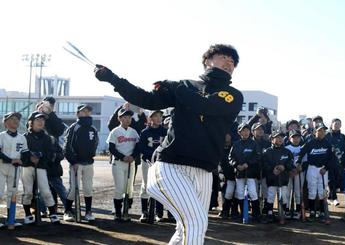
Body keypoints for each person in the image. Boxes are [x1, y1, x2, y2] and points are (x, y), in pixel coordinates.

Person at [95, 44, 243, 244]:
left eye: (233, 61)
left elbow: (206, 106)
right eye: (224, 57)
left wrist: (174, 86)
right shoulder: (186, 86)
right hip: (170, 166)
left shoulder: (232, 95)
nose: (230, 62)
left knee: (186, 228)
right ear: (208, 61)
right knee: (196, 222)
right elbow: (145, 98)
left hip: (204, 171)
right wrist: (113, 78)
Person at [63, 104, 99, 222]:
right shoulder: (74, 127)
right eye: (83, 111)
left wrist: (90, 155)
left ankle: (88, 212)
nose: (86, 113)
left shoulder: (93, 128)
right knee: (73, 189)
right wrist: (73, 161)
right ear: (78, 114)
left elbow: (95, 144)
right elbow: (67, 146)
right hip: (76, 164)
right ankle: (67, 211)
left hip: (89, 163)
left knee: (88, 188)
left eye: (88, 111)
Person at [22, 112, 59, 224]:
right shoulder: (24, 137)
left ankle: (52, 213)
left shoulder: (47, 138)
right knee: (28, 192)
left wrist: (41, 156)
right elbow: (21, 152)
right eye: (38, 120)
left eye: (42, 120)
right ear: (31, 122)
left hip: (41, 167)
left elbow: (50, 153)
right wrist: (30, 157)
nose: (41, 122)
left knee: (46, 191)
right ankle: (28, 214)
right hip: (27, 167)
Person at [107, 109, 140, 222]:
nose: (127, 119)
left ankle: (126, 211)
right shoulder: (115, 131)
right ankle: (117, 213)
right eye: (124, 117)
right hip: (118, 163)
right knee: (119, 188)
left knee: (129, 188)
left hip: (131, 162)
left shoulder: (134, 132)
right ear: (119, 119)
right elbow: (111, 148)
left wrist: (133, 156)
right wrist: (123, 157)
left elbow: (138, 147)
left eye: (129, 117)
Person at [297, 123, 334, 222]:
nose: (322, 132)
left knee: (322, 191)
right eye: (319, 130)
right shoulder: (310, 143)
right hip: (312, 168)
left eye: (323, 131)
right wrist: (298, 163)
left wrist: (326, 168)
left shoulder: (328, 144)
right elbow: (301, 153)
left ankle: (322, 212)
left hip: (323, 169)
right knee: (312, 190)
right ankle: (312, 211)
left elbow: (331, 159)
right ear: (315, 132)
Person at [136, 110, 167, 223]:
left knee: (160, 187)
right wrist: (152, 155)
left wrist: (159, 157)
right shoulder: (145, 132)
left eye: (160, 116)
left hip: (160, 163)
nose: (159, 118)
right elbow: (141, 148)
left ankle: (159, 213)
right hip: (147, 162)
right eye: (156, 116)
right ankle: (144, 212)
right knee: (146, 185)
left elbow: (168, 147)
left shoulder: (165, 132)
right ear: (151, 118)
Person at [0, 112, 30, 228]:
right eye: (12, 119)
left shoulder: (22, 138)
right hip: (1, 167)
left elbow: (25, 153)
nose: (15, 121)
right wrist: (11, 160)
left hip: (15, 168)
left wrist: (25, 159)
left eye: (17, 119)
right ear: (6, 122)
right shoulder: (1, 136)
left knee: (12, 193)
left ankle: (10, 219)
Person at [229, 124, 261, 222]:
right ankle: (243, 214)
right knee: (239, 193)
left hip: (250, 173)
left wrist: (248, 164)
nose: (245, 132)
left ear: (250, 132)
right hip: (239, 173)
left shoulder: (254, 143)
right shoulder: (235, 144)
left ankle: (256, 215)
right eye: (243, 130)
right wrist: (236, 165)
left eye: (247, 130)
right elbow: (230, 158)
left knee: (252, 192)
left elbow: (257, 156)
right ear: (239, 132)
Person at [261, 131, 295, 223]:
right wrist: (272, 169)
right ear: (272, 140)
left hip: (283, 179)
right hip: (272, 178)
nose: (280, 139)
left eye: (281, 137)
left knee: (284, 195)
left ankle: (283, 212)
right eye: (277, 137)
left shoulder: (287, 151)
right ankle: (270, 212)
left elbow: (291, 163)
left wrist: (284, 167)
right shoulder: (268, 151)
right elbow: (264, 164)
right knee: (271, 195)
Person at [325, 118, 345, 206]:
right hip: (329, 162)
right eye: (335, 123)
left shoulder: (342, 136)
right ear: (331, 124)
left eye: (338, 124)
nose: (336, 125)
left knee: (337, 180)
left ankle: (330, 196)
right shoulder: (327, 135)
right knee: (331, 180)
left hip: (339, 162)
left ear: (340, 125)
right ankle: (333, 198)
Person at [285, 129, 303, 220]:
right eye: (293, 137)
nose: (296, 139)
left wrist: (299, 169)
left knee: (298, 192)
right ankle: (287, 210)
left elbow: (305, 161)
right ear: (289, 138)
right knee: (287, 192)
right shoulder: (286, 148)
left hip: (299, 173)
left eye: (298, 137)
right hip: (289, 173)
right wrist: (290, 170)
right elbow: (284, 161)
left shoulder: (302, 148)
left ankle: (298, 211)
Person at [218, 133, 236, 219]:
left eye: (228, 134)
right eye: (225, 134)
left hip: (234, 172)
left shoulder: (235, 145)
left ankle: (234, 211)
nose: (227, 136)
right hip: (222, 172)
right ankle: (224, 210)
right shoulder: (219, 146)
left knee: (234, 192)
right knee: (225, 191)